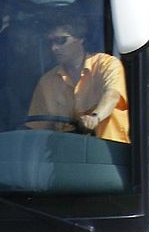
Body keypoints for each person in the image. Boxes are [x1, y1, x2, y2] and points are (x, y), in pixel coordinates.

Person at [26, 15, 129, 143]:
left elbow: (112, 96)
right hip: (69, 156)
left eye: (61, 40)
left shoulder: (107, 64)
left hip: (108, 153)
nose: (54, 48)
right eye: (51, 42)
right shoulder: (46, 82)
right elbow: (38, 132)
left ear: (81, 39)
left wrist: (94, 118)